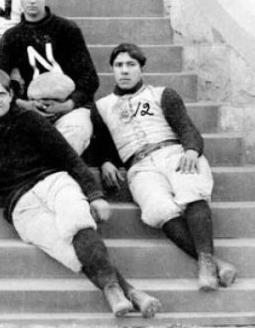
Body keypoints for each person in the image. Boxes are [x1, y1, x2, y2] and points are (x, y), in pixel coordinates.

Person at [0, 68, 161, 317]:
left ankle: (113, 291)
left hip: (52, 181)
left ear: (12, 95)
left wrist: (95, 195)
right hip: (21, 205)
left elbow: (68, 157)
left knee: (77, 222)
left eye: (2, 94)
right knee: (66, 250)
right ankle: (131, 292)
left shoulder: (29, 119)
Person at [92, 43, 238, 291]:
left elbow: (186, 128)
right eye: (119, 65)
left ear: (141, 68)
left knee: (191, 188)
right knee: (157, 208)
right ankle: (218, 264)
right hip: (139, 166)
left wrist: (191, 150)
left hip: (173, 153)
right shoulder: (102, 107)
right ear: (111, 70)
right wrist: (105, 161)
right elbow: (103, 145)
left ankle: (205, 265)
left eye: (131, 65)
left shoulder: (162, 94)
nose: (124, 71)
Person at [0, 0, 97, 155]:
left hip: (68, 107)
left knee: (77, 130)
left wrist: (68, 105)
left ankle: (54, 173)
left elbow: (89, 78)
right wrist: (23, 103)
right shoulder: (11, 37)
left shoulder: (67, 29)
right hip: (31, 108)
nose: (32, 0)